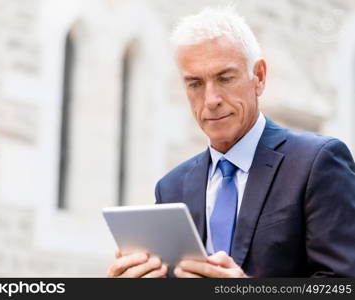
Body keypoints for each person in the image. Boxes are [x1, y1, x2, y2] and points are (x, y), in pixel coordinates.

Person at [106, 6, 355, 278]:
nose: (211, 100)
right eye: (195, 84)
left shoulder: (316, 163)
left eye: (225, 78)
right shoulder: (171, 187)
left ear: (258, 77)